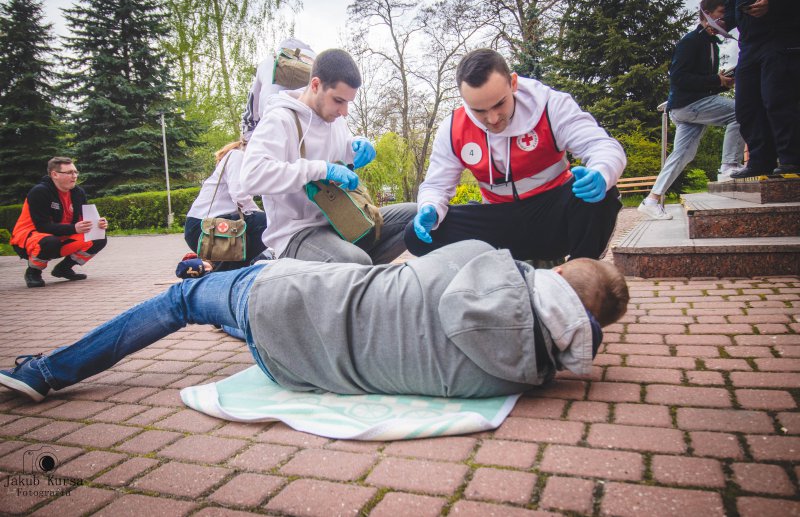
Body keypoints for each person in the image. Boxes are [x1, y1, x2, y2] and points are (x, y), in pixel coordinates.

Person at [0, 240, 629, 403]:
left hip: (286, 296)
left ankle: (45, 372)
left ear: (557, 274)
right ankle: (212, 286)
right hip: (297, 367)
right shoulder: (527, 378)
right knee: (226, 299)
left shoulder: (479, 261)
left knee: (179, 302)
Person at [404, 49, 626, 264]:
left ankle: (581, 276)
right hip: (499, 221)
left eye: (499, 104)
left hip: (554, 218)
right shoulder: (453, 128)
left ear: (513, 83)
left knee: (601, 195)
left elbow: (602, 147)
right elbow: (436, 186)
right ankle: (475, 278)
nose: (492, 118)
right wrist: (430, 207)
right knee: (416, 236)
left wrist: (601, 172)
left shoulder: (551, 105)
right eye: (479, 111)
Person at [241, 48, 416, 265]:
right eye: (339, 100)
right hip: (297, 233)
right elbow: (251, 177)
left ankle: (353, 276)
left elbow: (341, 152)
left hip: (342, 221)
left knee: (416, 216)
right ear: (315, 85)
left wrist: (356, 147)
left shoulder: (336, 119)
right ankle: (349, 273)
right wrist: (322, 168)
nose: (345, 111)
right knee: (354, 261)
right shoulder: (280, 119)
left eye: (348, 102)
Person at [638, 0, 745, 220]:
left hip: (689, 107)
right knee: (741, 111)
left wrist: (722, 82)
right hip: (688, 105)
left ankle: (652, 199)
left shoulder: (710, 44)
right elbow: (679, 78)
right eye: (721, 12)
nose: (725, 17)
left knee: (682, 155)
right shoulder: (692, 41)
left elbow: (702, 82)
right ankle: (730, 165)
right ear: (706, 13)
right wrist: (716, 81)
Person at [724, 0, 800, 178]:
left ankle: (791, 159)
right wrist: (723, 22)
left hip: (781, 37)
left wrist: (773, 2)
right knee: (746, 106)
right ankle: (760, 160)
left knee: (778, 99)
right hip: (748, 44)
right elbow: (734, 3)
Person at [10, 157, 108, 288]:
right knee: (50, 241)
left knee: (99, 237)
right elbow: (42, 226)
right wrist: (74, 228)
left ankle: (63, 268)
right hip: (30, 238)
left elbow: (84, 220)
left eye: (75, 172)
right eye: (69, 173)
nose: (74, 176)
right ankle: (33, 272)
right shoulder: (39, 191)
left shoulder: (78, 192)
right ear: (54, 174)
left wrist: (98, 224)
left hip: (60, 236)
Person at [184, 141, 268, 270]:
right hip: (203, 226)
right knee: (267, 222)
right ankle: (230, 272)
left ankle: (230, 272)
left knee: (258, 228)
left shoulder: (237, 160)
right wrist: (262, 214)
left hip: (200, 226)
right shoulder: (237, 155)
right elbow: (239, 195)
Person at [240, 38, 317, 143]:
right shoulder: (316, 64)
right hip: (311, 133)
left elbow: (251, 112)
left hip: (271, 128)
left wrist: (250, 142)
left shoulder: (267, 63)